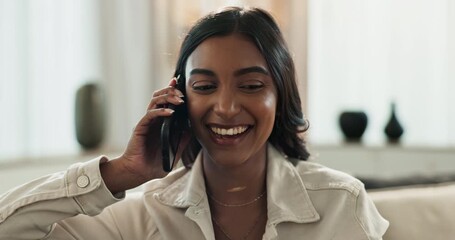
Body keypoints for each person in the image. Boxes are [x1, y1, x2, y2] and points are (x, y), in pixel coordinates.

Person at [0, 6, 388, 240]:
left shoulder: (340, 203)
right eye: (204, 86)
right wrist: (118, 172)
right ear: (181, 99)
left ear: (280, 95)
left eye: (251, 85)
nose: (226, 106)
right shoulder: (140, 217)